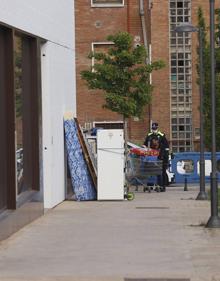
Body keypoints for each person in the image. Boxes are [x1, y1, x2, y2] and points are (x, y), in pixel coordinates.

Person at [143, 122, 169, 191]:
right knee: (151, 171)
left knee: (161, 172)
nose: (154, 129)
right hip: (151, 156)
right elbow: (145, 144)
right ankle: (150, 185)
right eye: (153, 128)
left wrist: (164, 156)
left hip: (160, 156)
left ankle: (162, 186)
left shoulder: (161, 135)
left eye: (155, 128)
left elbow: (166, 146)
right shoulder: (149, 135)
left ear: (157, 128)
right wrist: (145, 149)